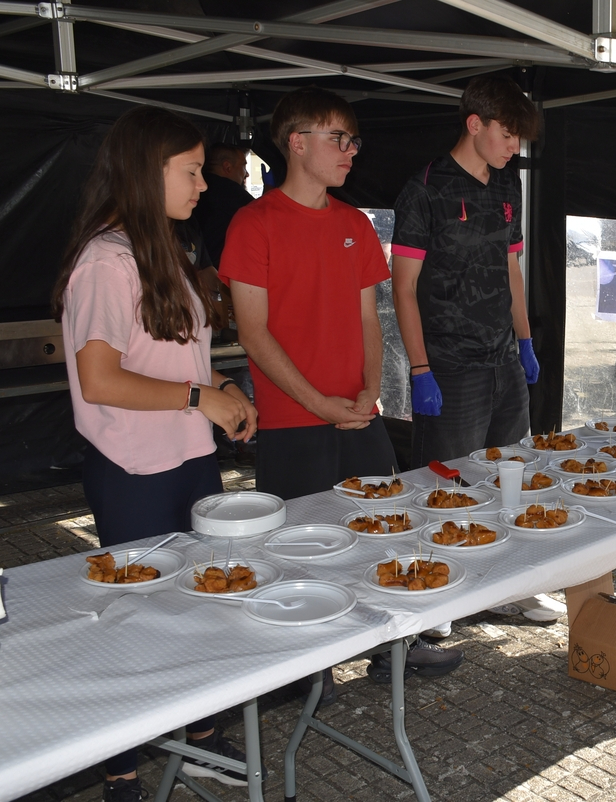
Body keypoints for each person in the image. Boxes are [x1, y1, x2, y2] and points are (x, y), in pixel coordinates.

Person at [221, 87, 462, 690]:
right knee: (300, 547)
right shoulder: (253, 224)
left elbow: (368, 321)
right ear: (297, 143)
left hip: (359, 413)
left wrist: (368, 392)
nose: (352, 151)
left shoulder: (354, 222)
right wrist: (317, 403)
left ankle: (392, 646)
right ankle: (308, 665)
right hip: (293, 420)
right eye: (339, 138)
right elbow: (253, 333)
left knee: (383, 534)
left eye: (354, 140)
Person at [52, 105, 259, 802]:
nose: (205, 184)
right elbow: (101, 378)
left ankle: (200, 740)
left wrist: (222, 385)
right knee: (135, 622)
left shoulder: (163, 248)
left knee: (195, 606)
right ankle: (121, 770)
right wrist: (201, 400)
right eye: (192, 170)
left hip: (186, 457)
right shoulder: (105, 263)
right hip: (133, 471)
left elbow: (178, 358)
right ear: (147, 173)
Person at [391, 74, 564, 630]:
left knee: (510, 473)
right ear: (475, 124)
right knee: (445, 482)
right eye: (509, 135)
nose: (515, 148)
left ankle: (507, 586)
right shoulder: (425, 189)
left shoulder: (506, 186)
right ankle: (436, 595)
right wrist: (420, 368)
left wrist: (525, 340)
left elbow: (512, 266)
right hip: (449, 362)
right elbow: (403, 286)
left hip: (501, 359)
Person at [195, 143, 254, 266]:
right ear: (227, 167)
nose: (247, 173)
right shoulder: (231, 192)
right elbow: (264, 215)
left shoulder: (198, 190)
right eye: (243, 166)